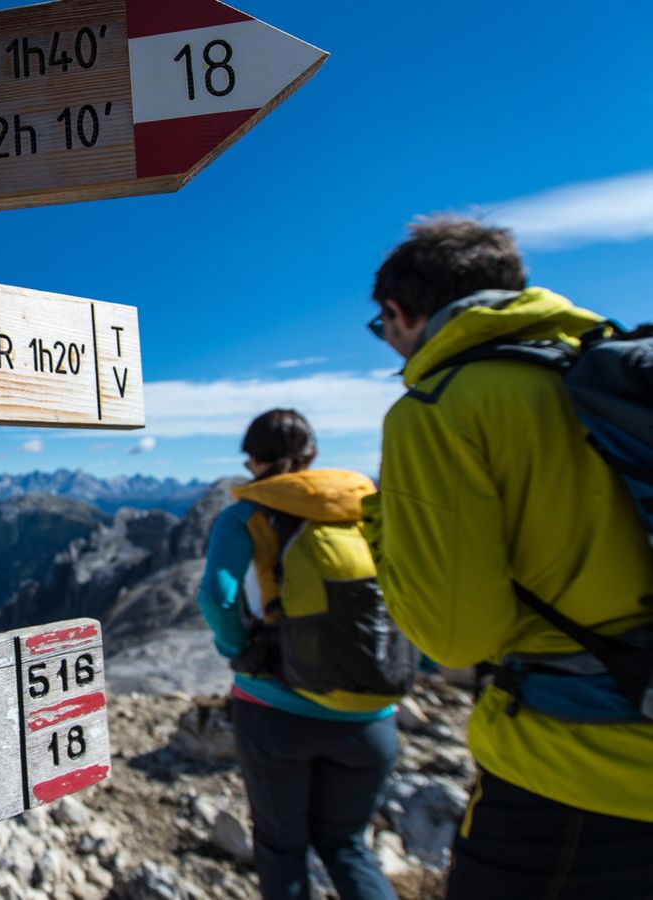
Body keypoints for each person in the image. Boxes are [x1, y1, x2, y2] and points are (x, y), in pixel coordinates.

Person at [364, 217, 653, 897]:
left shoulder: (441, 406)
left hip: (574, 772)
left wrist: (383, 529)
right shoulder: (610, 370)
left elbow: (454, 637)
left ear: (398, 314)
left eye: (383, 331)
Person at [199, 409, 410, 900]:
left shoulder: (245, 515)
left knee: (281, 847)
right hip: (372, 712)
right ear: (312, 454)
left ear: (252, 460)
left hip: (275, 709)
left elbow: (218, 594)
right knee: (348, 846)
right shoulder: (365, 507)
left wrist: (240, 651)